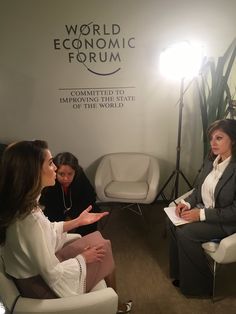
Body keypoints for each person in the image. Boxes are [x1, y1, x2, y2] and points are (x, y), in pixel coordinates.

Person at [0, 140, 132, 313]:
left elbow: (47, 230)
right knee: (104, 250)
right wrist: (83, 258)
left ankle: (114, 303)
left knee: (101, 240)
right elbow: (52, 273)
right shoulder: (29, 221)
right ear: (33, 172)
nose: (55, 168)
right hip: (40, 286)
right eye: (50, 163)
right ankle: (113, 306)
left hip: (38, 271)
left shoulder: (24, 206)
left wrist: (78, 221)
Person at [168, 118, 236, 297]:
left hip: (226, 222)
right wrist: (186, 203)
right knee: (171, 221)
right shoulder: (211, 159)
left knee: (186, 233)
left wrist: (202, 215)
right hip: (203, 209)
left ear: (234, 140)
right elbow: (198, 189)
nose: (213, 143)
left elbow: (234, 212)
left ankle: (200, 287)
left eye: (219, 138)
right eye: (211, 138)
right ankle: (181, 273)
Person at [40, 152, 100, 236]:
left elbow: (90, 196)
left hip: (77, 208)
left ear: (75, 172)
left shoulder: (79, 176)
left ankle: (83, 240)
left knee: (93, 210)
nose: (65, 178)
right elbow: (47, 202)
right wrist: (64, 222)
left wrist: (73, 216)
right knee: (48, 222)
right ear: (55, 171)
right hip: (57, 210)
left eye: (70, 174)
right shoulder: (51, 179)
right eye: (61, 174)